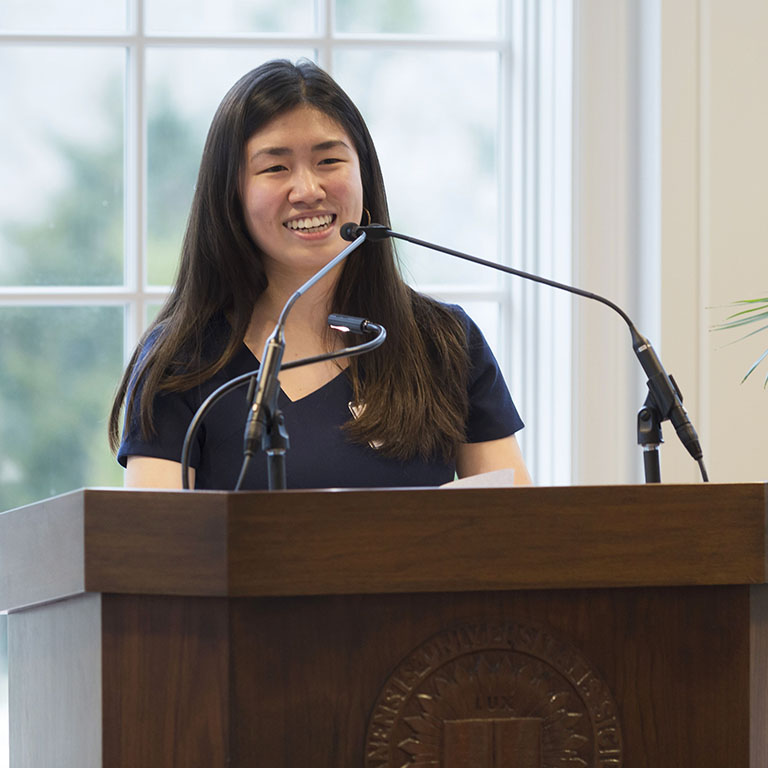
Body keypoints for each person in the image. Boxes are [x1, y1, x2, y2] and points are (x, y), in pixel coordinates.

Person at [109, 58, 532, 490]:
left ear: (364, 174)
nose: (308, 191)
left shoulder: (444, 343)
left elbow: (520, 531)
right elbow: (150, 551)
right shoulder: (182, 362)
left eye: (329, 161)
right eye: (275, 168)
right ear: (231, 195)